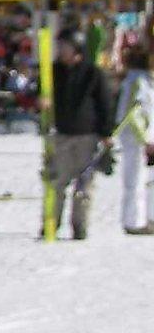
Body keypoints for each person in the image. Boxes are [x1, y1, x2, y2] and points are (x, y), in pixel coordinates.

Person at [52, 31, 116, 240]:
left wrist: (106, 132)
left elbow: (105, 104)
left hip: (87, 135)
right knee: (57, 181)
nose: (61, 51)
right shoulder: (54, 71)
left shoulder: (92, 73)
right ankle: (51, 222)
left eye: (65, 46)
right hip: (61, 134)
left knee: (84, 185)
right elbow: (44, 93)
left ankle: (79, 226)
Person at [119, 46, 154, 235]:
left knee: (144, 179)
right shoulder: (138, 81)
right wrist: (145, 140)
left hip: (144, 137)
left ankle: (144, 217)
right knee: (135, 178)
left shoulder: (144, 80)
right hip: (136, 139)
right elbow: (133, 114)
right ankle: (133, 221)